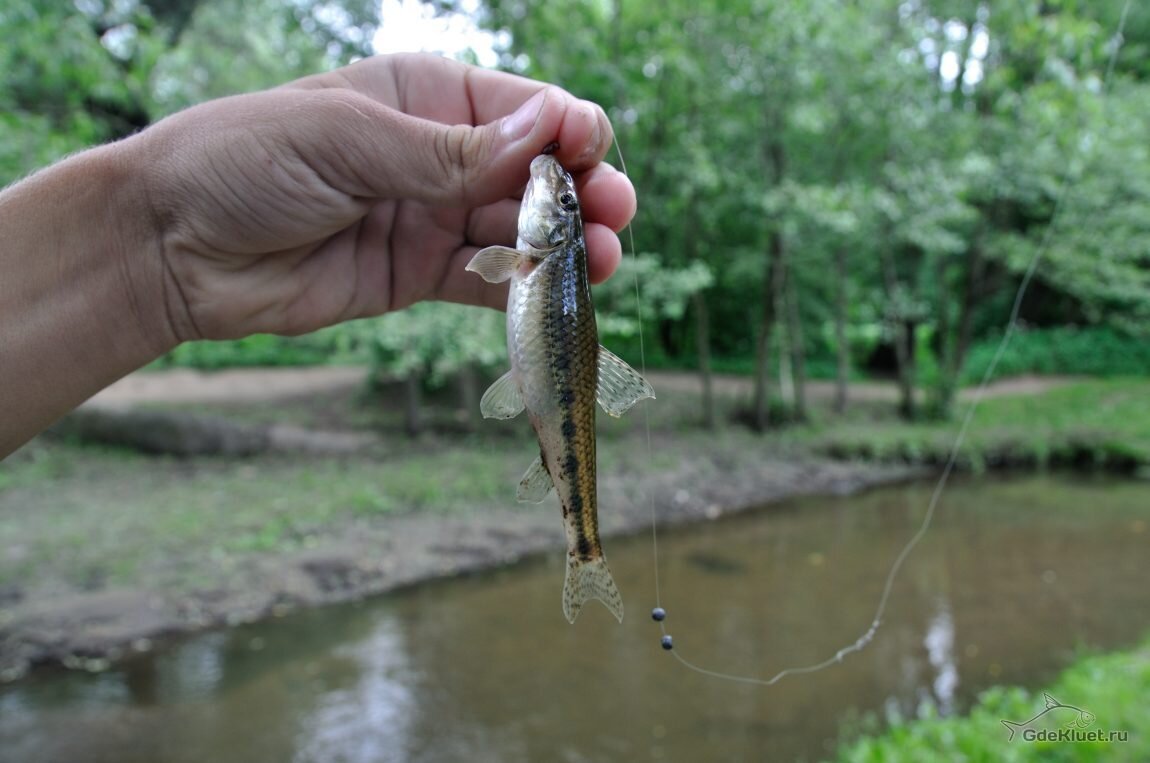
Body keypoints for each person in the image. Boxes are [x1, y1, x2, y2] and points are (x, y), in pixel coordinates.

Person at [0, 53, 636, 459]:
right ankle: (582, 533)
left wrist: (159, 250)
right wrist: (158, 242)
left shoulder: (526, 254)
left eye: (563, 202)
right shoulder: (529, 250)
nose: (553, 191)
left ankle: (580, 537)